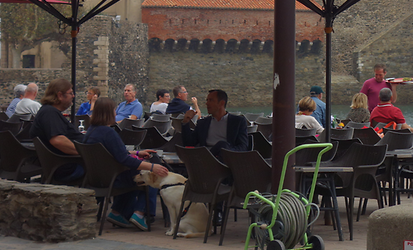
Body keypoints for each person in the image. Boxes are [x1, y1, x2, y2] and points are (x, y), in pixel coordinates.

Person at [83, 97, 168, 230]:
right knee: (150, 175)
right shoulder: (109, 133)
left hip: (98, 177)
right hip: (114, 179)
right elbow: (124, 159)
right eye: (114, 110)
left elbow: (112, 154)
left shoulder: (91, 131)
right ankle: (140, 213)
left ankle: (118, 212)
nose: (116, 114)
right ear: (109, 113)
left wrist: (136, 153)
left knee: (134, 172)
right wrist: (152, 166)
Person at [29, 78, 84, 181]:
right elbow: (58, 140)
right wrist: (87, 153)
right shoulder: (49, 113)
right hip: (67, 166)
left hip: (63, 164)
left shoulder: (49, 112)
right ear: (60, 95)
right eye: (70, 93)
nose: (73, 96)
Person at [181, 89, 249, 157]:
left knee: (222, 145)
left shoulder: (237, 122)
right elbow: (188, 143)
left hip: (226, 158)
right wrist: (185, 122)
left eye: (211, 100)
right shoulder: (203, 123)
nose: (207, 103)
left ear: (221, 103)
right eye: (207, 100)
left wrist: (228, 151)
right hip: (206, 157)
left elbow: (242, 147)